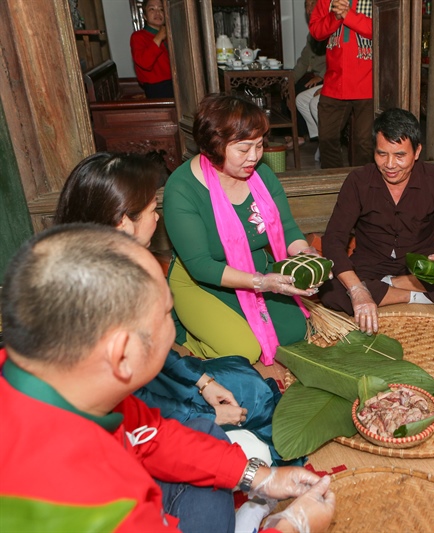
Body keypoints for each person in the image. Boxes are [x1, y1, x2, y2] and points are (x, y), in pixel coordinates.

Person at [0, 224, 335, 532]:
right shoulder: (87, 499)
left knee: (203, 436)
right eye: (164, 315)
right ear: (122, 353)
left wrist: (259, 477)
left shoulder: (65, 384)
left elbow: (151, 434)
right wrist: (291, 527)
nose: (172, 331)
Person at [54, 152, 291, 465]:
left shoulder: (118, 265)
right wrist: (206, 415)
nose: (158, 218)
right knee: (249, 450)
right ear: (123, 223)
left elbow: (155, 351)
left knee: (248, 384)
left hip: (149, 381)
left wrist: (203, 382)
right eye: (152, 209)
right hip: (127, 418)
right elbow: (131, 404)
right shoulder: (94, 298)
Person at [163, 94, 325, 365]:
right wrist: (262, 283)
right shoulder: (182, 189)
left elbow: (286, 228)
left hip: (256, 268)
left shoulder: (261, 175)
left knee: (294, 333)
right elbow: (201, 265)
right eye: (243, 149)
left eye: (259, 145)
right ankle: (190, 339)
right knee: (244, 351)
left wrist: (305, 255)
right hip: (202, 281)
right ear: (214, 146)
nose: (254, 157)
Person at [319, 108, 434, 334]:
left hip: (420, 264)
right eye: (382, 154)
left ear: (417, 152)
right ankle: (416, 296)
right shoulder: (358, 181)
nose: (390, 164)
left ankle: (389, 287)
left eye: (399, 156)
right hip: (369, 264)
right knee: (329, 289)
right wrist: (357, 289)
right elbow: (333, 239)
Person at [309, 0, 374, 168]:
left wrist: (348, 15)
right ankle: (334, 181)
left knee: (364, 143)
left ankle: (364, 183)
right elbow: (316, 31)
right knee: (326, 139)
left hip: (369, 82)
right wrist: (335, 16)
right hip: (334, 81)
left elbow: (383, 29)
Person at [288, 0, 327, 149]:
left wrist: (322, 76)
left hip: (327, 77)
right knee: (290, 89)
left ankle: (306, 136)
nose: (309, 9)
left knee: (301, 91)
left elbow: (336, 59)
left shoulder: (331, 27)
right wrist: (289, 80)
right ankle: (296, 133)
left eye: (313, 4)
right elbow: (303, 61)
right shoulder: (312, 34)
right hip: (315, 76)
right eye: (306, 5)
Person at [130, 0, 174, 98]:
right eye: (152, 9)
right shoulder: (138, 36)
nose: (157, 13)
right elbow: (145, 63)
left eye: (161, 9)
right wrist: (159, 37)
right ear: (145, 16)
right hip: (157, 87)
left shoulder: (170, 35)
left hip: (175, 83)